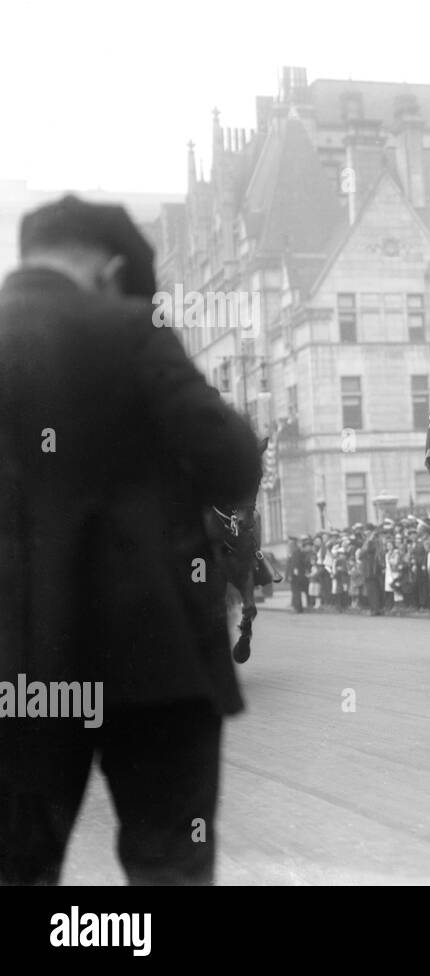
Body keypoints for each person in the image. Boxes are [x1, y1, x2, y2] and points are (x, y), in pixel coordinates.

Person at [0, 194, 263, 884]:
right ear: (112, 270)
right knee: (169, 864)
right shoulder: (129, 328)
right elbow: (233, 459)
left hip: (17, 672)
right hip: (155, 660)